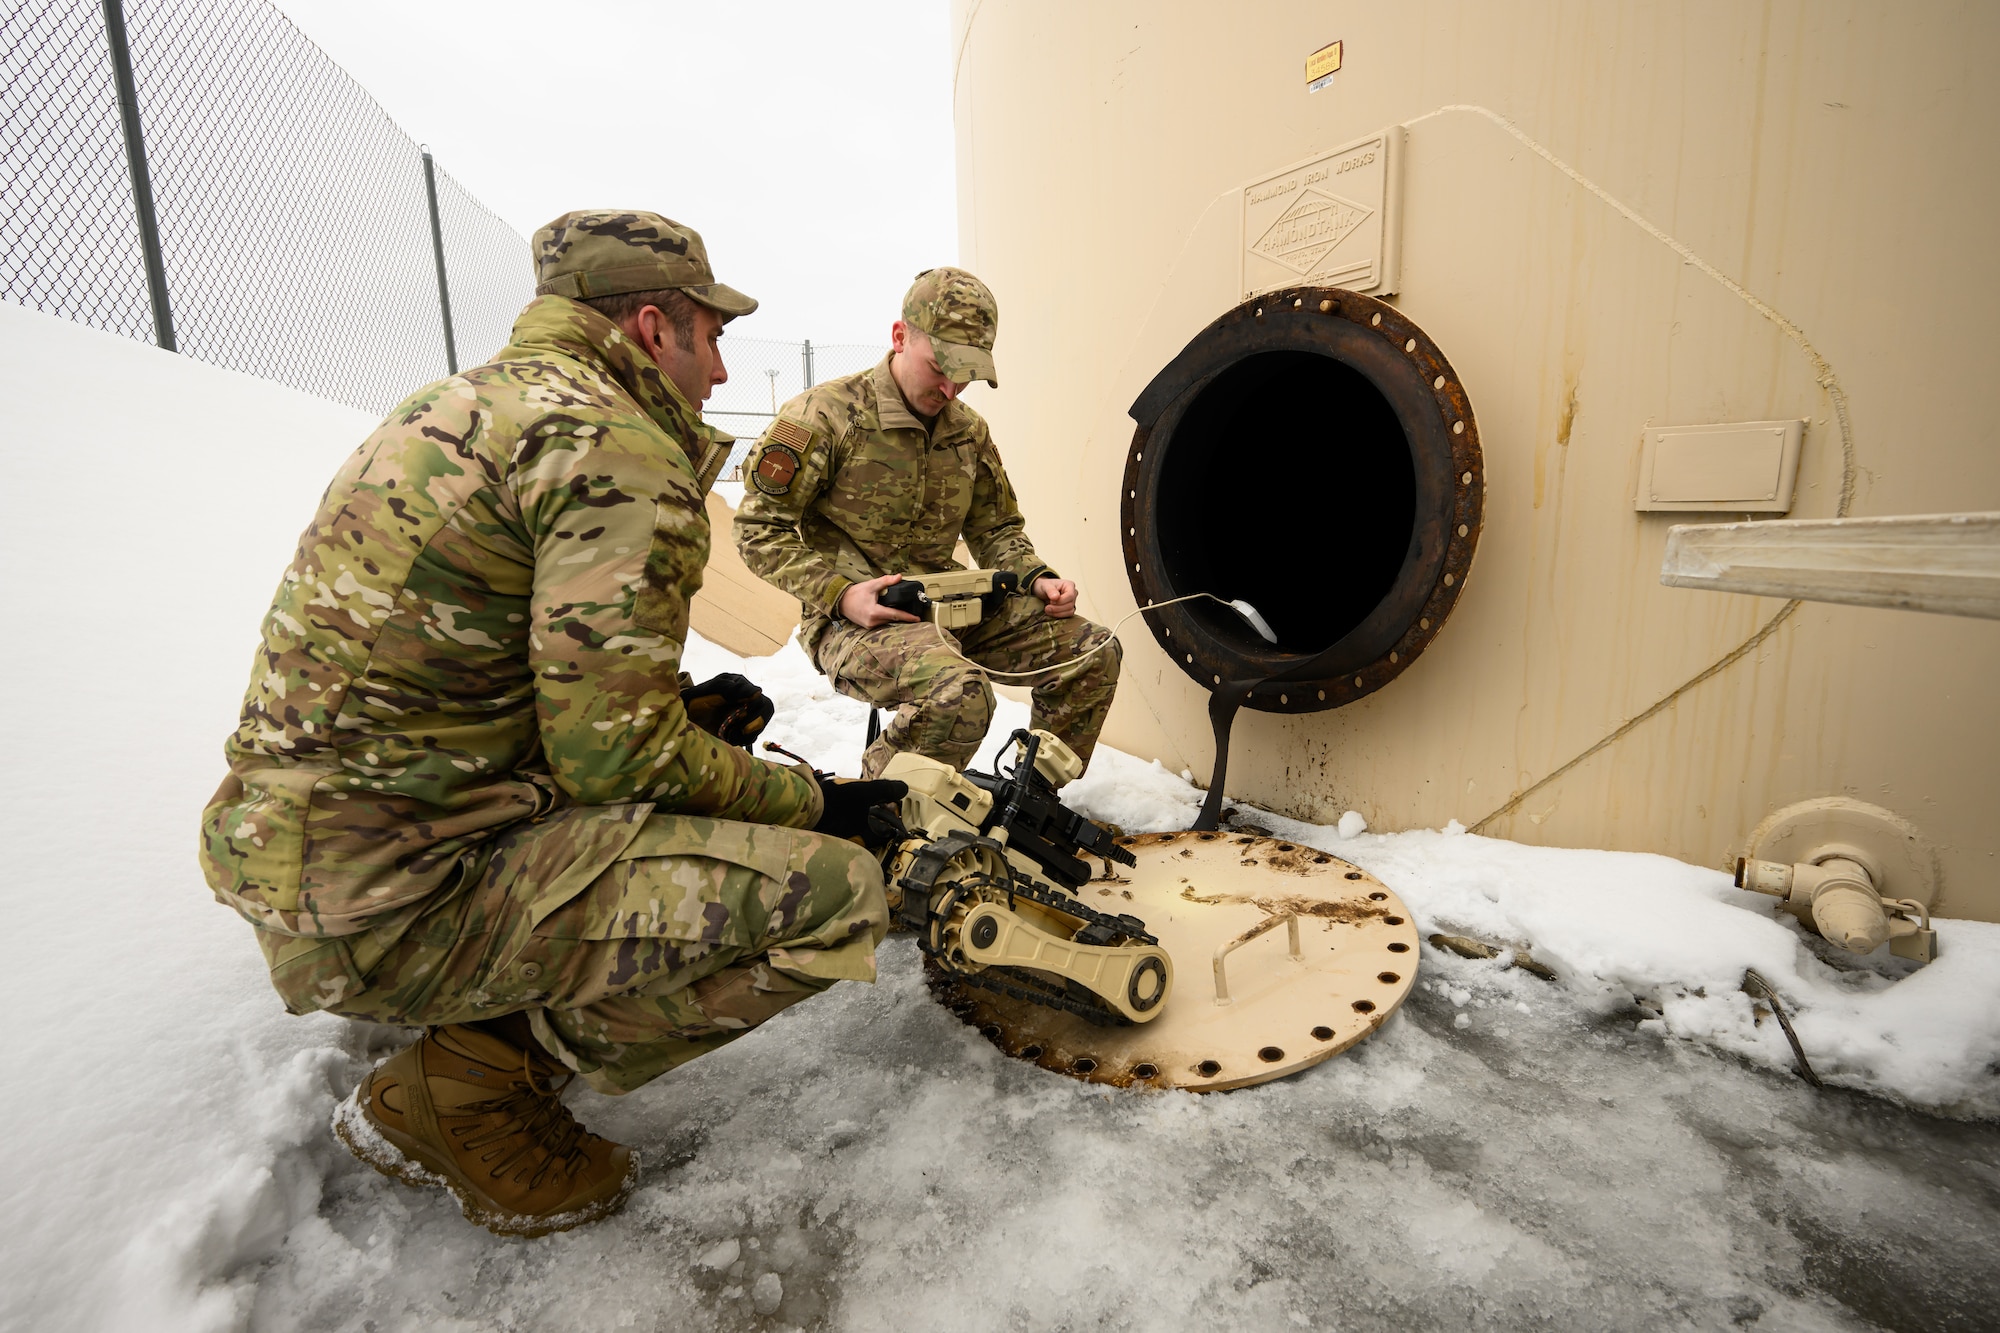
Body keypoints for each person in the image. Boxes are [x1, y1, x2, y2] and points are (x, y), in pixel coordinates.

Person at [198, 211, 904, 1238]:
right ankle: (468, 1087)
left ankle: (472, 1028)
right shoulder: (612, 447)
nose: (715, 372)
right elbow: (611, 753)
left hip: (306, 858)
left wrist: (683, 721)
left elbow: (479, 677)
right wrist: (815, 800)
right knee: (835, 892)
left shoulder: (452, 404)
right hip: (396, 907)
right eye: (711, 337)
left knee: (699, 778)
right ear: (653, 326)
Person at [735, 267, 1121, 780]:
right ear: (900, 337)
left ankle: (1032, 803)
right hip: (850, 622)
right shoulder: (823, 417)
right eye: (940, 367)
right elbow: (758, 531)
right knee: (960, 693)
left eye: (966, 374)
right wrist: (840, 594)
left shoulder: (968, 432)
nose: (951, 387)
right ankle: (888, 815)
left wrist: (1036, 577)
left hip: (951, 606)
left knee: (1093, 652)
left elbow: (996, 529)